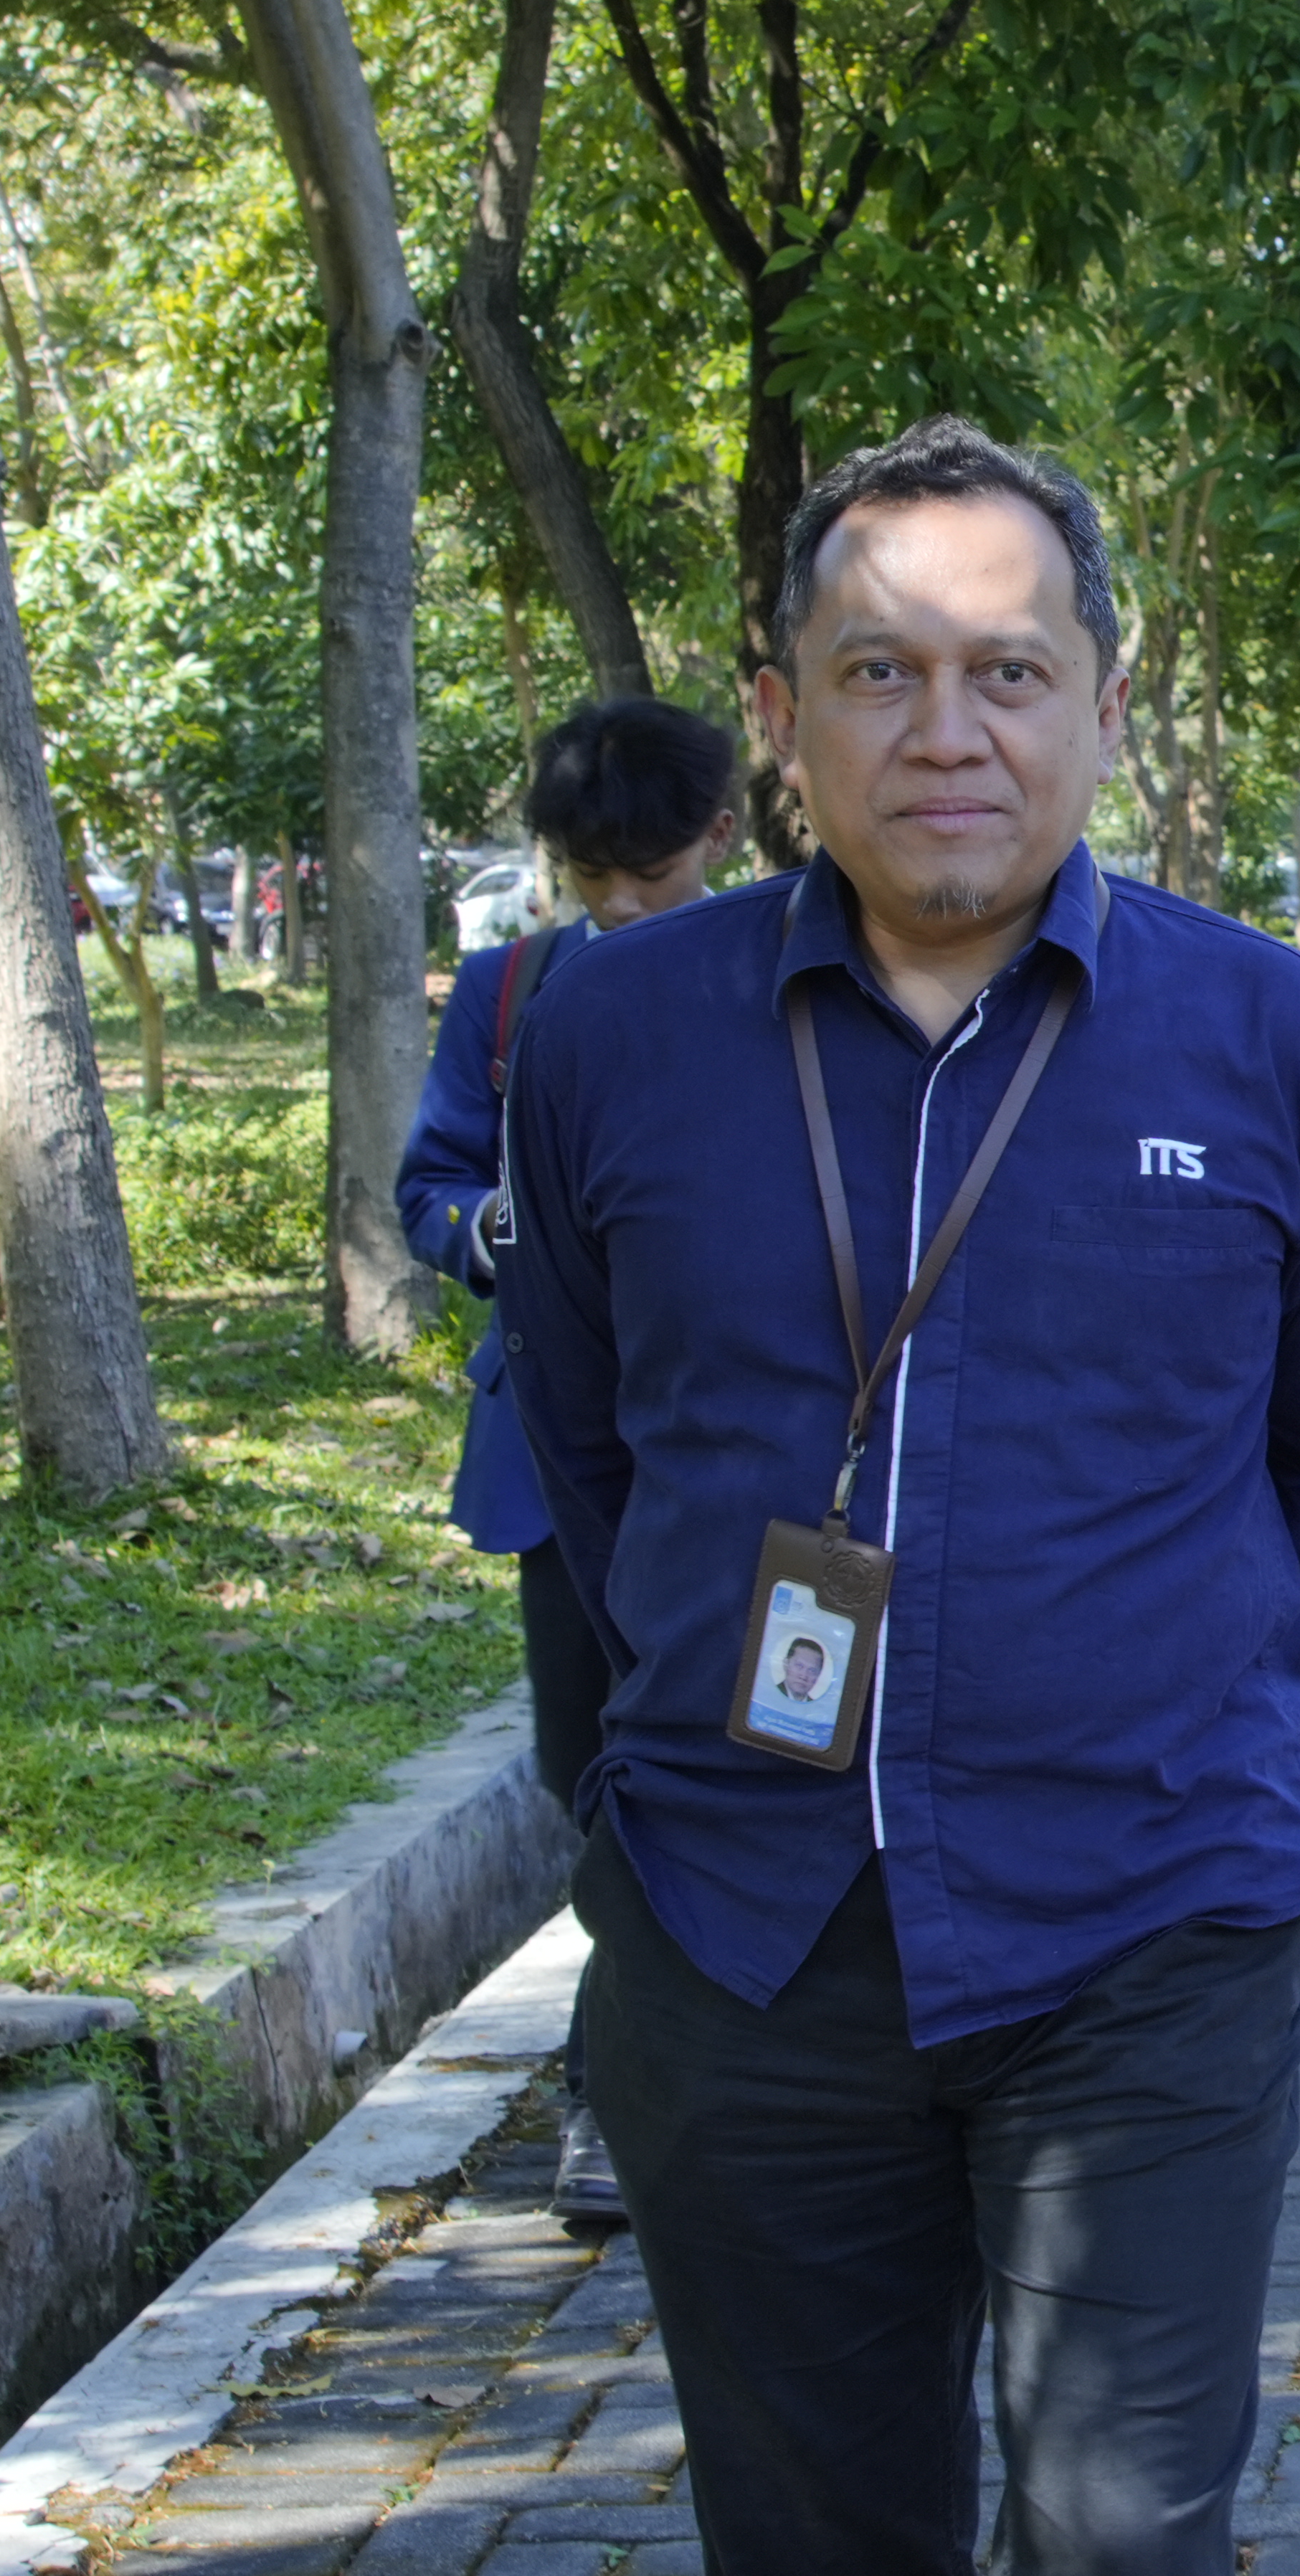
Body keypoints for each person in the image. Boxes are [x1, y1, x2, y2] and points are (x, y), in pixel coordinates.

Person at [495, 415, 1300, 2576]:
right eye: (880, 672)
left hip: (1145, 1927)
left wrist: (1169, 1709)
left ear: (1107, 698)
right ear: (779, 715)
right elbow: (590, 1438)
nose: (947, 731)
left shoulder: (1279, 1043)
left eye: (1008, 671)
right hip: (740, 1927)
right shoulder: (614, 1038)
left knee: (1124, 2534)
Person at [397, 691, 745, 2232]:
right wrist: (497, 1227)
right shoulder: (511, 991)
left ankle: (724, 2075)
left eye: (649, 875)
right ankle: (617, 2086)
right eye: (592, 877)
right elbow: (431, 1182)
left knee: (746, 1763)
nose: (621, 905)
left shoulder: (786, 972)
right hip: (558, 1463)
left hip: (747, 1459)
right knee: (594, 1772)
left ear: (718, 835)